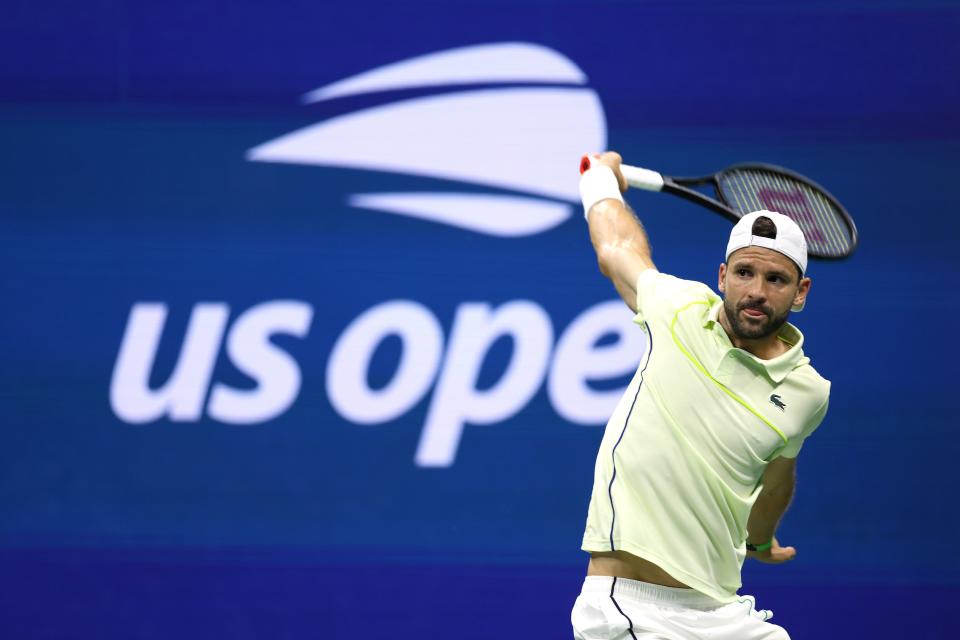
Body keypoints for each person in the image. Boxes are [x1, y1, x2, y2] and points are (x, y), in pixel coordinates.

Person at [571, 152, 830, 640]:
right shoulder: (678, 311)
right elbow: (617, 245)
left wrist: (760, 540)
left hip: (723, 613)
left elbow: (775, 478)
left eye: (775, 279)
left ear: (801, 292)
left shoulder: (808, 391)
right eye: (744, 273)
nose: (756, 291)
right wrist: (599, 180)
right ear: (721, 277)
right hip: (629, 608)